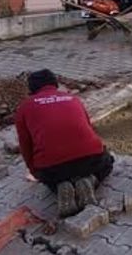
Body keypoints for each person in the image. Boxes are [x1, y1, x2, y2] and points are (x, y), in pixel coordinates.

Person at [15, 69, 114, 217]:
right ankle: (91, 180)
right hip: (90, 159)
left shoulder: (23, 108)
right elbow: (89, 127)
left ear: (31, 89)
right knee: (108, 163)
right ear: (55, 84)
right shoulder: (73, 98)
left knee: (51, 179)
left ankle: (59, 187)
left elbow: (25, 145)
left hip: (54, 168)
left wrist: (35, 172)